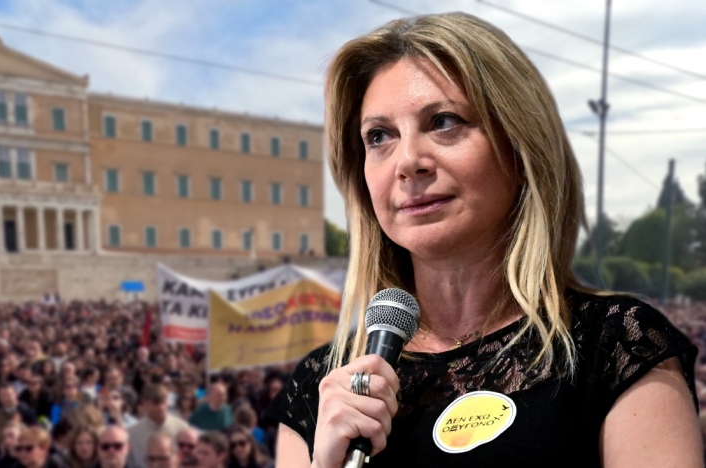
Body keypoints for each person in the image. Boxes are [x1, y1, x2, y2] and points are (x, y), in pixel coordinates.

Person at [265, 12, 702, 467]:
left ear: (520, 146)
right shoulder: (319, 389)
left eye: (444, 121)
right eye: (379, 136)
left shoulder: (616, 345)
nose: (408, 161)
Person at [126, 385, 188, 468]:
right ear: (145, 404)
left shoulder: (182, 429)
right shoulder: (133, 433)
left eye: (163, 402)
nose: (161, 407)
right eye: (156, 403)